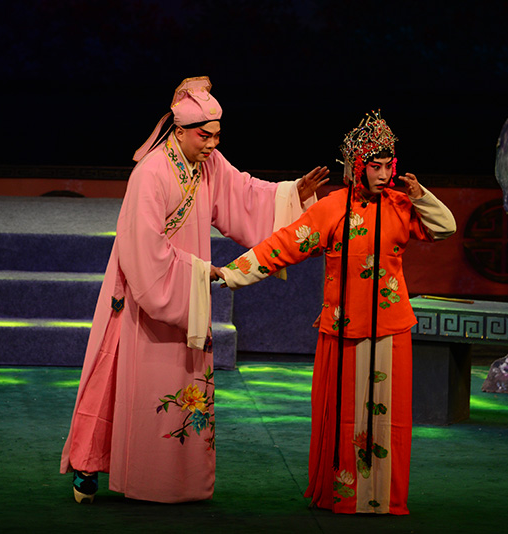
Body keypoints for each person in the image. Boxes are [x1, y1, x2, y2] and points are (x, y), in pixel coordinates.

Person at [60, 76, 329, 504]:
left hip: (186, 292)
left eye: (217, 135)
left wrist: (293, 194)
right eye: (205, 135)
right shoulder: (150, 173)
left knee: (179, 384)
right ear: (180, 130)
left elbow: (244, 194)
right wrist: (199, 272)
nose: (213, 144)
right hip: (146, 291)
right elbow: (144, 248)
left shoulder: (209, 164)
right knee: (119, 375)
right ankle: (90, 465)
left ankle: (174, 481)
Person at [219, 111, 456, 514]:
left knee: (387, 415)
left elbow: (445, 227)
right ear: (357, 167)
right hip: (344, 325)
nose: (384, 174)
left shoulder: (401, 205)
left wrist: (420, 195)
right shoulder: (332, 208)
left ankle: (383, 497)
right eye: (375, 166)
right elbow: (284, 244)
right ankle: (343, 494)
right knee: (345, 414)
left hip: (392, 326)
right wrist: (231, 274)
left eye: (389, 166)